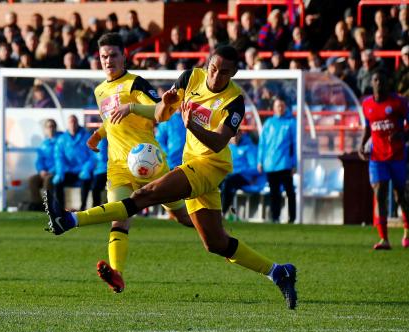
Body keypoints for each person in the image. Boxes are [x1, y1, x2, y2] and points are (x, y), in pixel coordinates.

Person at [44, 44, 297, 310]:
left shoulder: (235, 101)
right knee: (215, 243)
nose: (215, 76)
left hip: (211, 165)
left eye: (224, 72)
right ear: (207, 63)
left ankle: (70, 220)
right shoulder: (191, 78)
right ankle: (279, 272)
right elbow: (160, 115)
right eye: (213, 68)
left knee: (143, 196)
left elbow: (219, 142)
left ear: (233, 73)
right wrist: (165, 105)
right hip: (191, 162)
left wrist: (193, 126)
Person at [52, 33, 192, 294]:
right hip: (117, 165)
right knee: (119, 217)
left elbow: (162, 111)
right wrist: (99, 134)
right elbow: (111, 119)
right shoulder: (100, 90)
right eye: (104, 56)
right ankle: (117, 274)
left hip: (149, 162)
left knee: (181, 215)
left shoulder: (135, 83)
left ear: (123, 56)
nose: (108, 61)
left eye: (113, 55)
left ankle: (214, 232)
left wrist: (132, 108)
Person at [358, 70, 409, 250]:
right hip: (377, 157)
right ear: (372, 83)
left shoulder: (399, 102)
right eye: (376, 79)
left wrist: (401, 133)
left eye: (382, 79)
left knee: (400, 195)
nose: (379, 82)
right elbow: (367, 127)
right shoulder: (367, 105)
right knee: (379, 193)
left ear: (388, 83)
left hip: (397, 156)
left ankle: (407, 232)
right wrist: (362, 144)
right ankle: (384, 239)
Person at [258, 97, 297, 224]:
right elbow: (262, 143)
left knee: (290, 191)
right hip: (270, 164)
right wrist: (260, 161)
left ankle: (292, 218)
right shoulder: (268, 123)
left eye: (282, 106)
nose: (280, 108)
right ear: (273, 108)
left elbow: (295, 144)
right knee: (274, 193)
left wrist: (294, 163)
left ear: (285, 107)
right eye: (277, 106)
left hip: (285, 163)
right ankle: (275, 217)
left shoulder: (291, 122)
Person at [52, 114, 94, 211]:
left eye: (74, 122)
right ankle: (60, 209)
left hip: (83, 170)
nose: (73, 124)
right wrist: (60, 172)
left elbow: (93, 155)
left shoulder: (87, 137)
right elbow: (59, 157)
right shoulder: (62, 139)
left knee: (86, 181)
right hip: (69, 171)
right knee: (58, 183)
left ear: (77, 123)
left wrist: (87, 169)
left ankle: (83, 208)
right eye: (71, 122)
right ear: (68, 124)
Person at [221, 133, 263, 218]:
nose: (234, 138)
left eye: (236, 135)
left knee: (228, 183)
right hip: (229, 176)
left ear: (240, 135)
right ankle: (212, 213)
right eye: (232, 136)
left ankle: (222, 213)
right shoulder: (227, 148)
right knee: (216, 183)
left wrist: (239, 171)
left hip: (243, 177)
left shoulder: (249, 148)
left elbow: (255, 168)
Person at [27, 118, 60, 211]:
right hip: (44, 172)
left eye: (53, 126)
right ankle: (37, 205)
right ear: (45, 129)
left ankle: (48, 206)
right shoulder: (43, 144)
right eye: (49, 127)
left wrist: (51, 171)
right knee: (32, 180)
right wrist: (41, 170)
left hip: (56, 172)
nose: (51, 129)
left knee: (48, 180)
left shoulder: (61, 141)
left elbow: (61, 160)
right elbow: (39, 160)